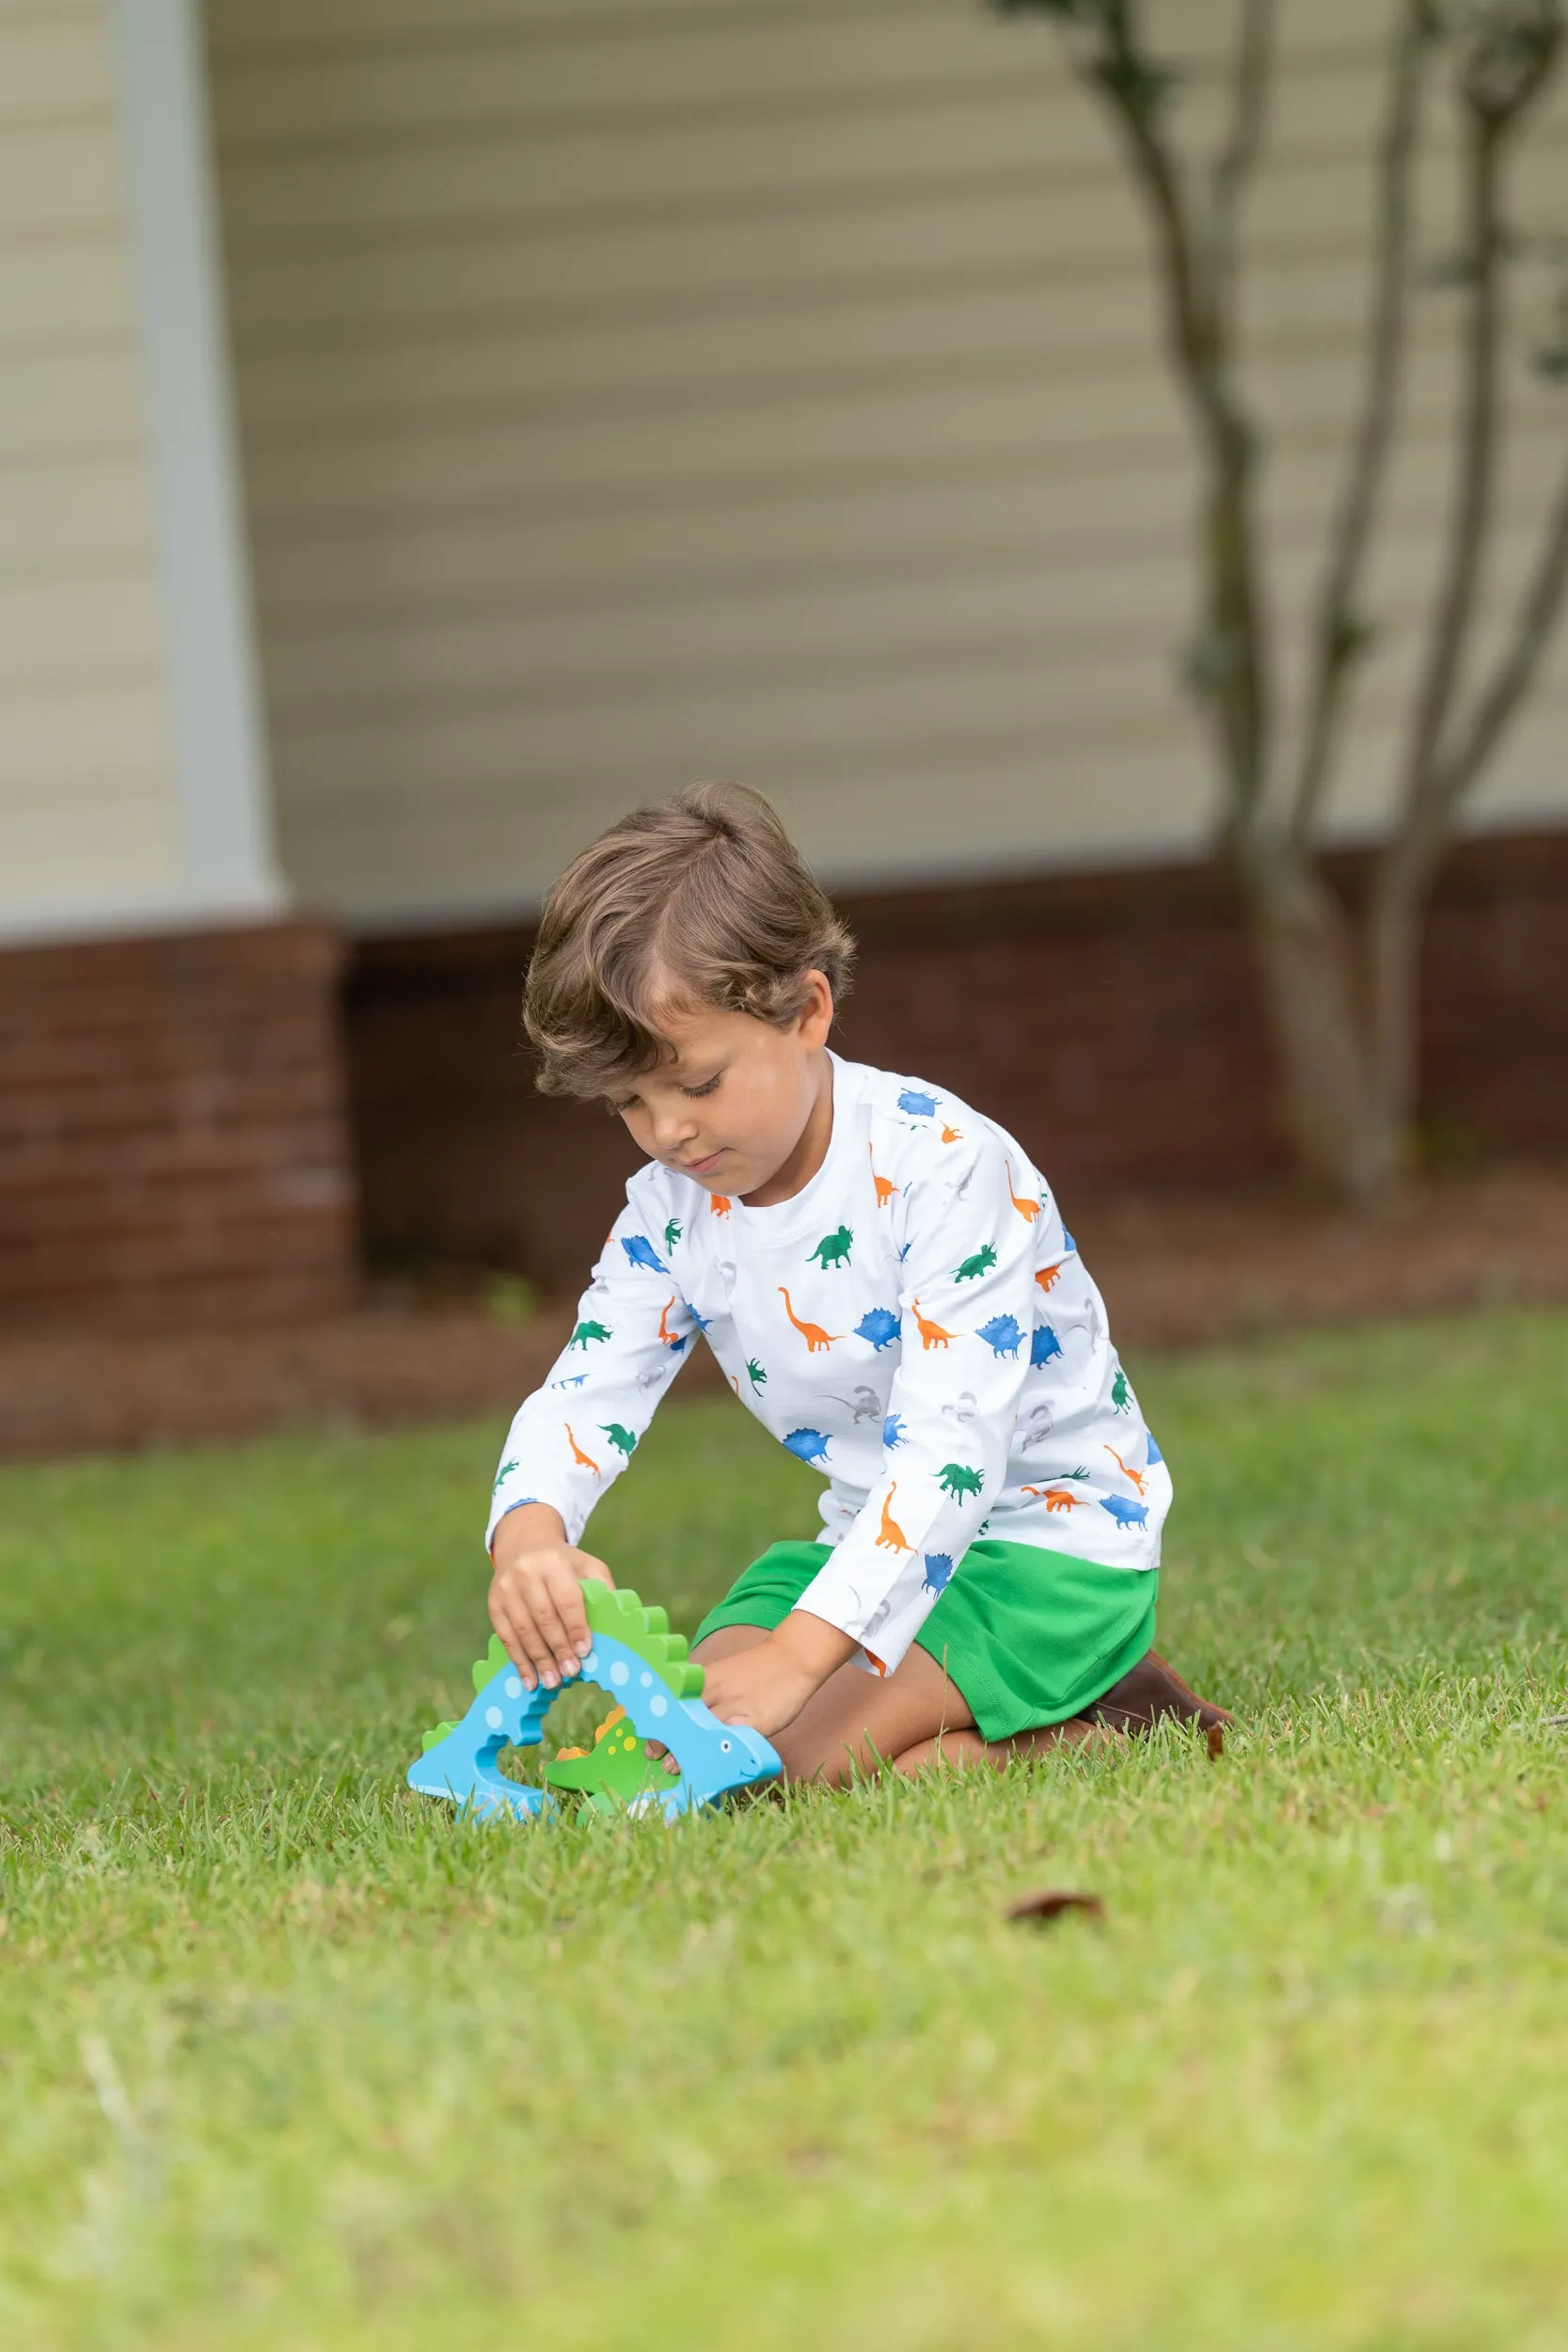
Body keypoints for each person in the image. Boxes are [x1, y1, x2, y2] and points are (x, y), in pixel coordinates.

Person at [486, 782, 1228, 1784]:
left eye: (698, 1083)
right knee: (681, 1748)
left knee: (783, 1762)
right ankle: (940, 1706)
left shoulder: (947, 1169)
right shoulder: (671, 1209)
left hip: (1043, 1555)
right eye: (630, 1100)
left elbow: (948, 1450)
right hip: (862, 1551)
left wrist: (801, 1657)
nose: (668, 1131)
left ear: (806, 1009)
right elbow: (588, 1386)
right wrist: (530, 1534)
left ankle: (1100, 1723)